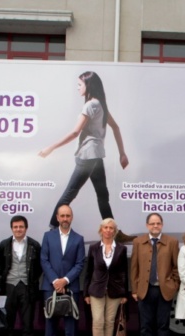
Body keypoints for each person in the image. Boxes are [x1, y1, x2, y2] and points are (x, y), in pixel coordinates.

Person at [38, 71, 131, 242]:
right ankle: (115, 232)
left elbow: (75, 132)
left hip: (88, 156)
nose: (78, 87)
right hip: (96, 156)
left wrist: (51, 148)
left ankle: (52, 228)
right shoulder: (101, 104)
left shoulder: (90, 105)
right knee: (102, 195)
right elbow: (116, 127)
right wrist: (122, 153)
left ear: (89, 86)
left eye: (80, 84)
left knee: (69, 193)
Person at [131, 213, 180, 336]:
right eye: (152, 223)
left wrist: (174, 285)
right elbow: (134, 268)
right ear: (147, 225)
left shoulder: (171, 242)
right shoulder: (138, 242)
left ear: (162, 225)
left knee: (163, 325)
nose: (155, 226)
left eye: (158, 223)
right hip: (144, 290)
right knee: (145, 325)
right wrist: (134, 289)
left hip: (164, 290)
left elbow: (176, 267)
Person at [40, 204, 86, 336]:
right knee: (50, 322)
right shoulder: (48, 236)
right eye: (62, 216)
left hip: (70, 287)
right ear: (57, 218)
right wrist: (55, 281)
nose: (65, 219)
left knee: (71, 323)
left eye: (68, 215)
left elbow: (80, 263)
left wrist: (65, 280)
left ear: (71, 217)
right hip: (50, 287)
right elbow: (44, 260)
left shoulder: (78, 239)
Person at [83, 218, 129, 336]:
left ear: (115, 231)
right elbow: (88, 271)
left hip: (115, 291)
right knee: (98, 322)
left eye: (111, 228)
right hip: (96, 290)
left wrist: (124, 294)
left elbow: (124, 272)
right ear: (101, 230)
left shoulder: (121, 249)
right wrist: (86, 293)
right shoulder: (94, 248)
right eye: (106, 227)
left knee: (109, 323)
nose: (108, 230)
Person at [0, 215, 42, 336]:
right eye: (15, 227)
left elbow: (39, 268)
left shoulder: (34, 245)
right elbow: (0, 267)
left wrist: (30, 280)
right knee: (7, 323)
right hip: (8, 286)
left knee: (27, 323)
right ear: (12, 228)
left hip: (27, 287)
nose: (18, 229)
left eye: (21, 227)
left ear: (26, 228)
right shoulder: (4, 244)